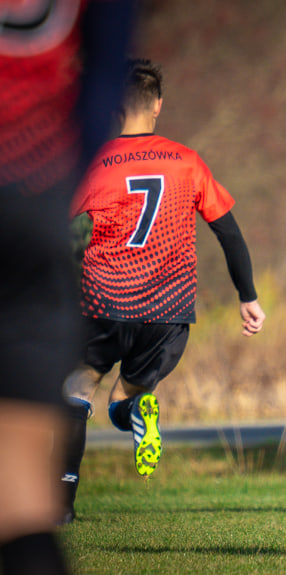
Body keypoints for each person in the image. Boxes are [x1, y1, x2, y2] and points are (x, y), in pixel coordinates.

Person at [60, 59, 266, 523]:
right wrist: (248, 296)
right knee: (123, 399)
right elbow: (228, 233)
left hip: (104, 300)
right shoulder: (186, 160)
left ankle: (61, 507)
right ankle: (138, 407)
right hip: (168, 312)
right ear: (157, 105)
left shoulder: (95, 162)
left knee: (77, 385)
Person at [0, 0, 136, 572]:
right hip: (32, 204)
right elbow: (105, 71)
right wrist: (59, 181)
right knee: (20, 507)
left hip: (36, 220)